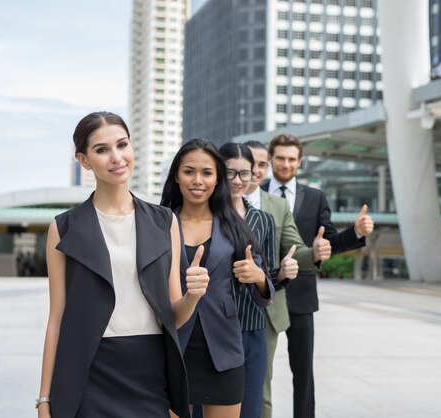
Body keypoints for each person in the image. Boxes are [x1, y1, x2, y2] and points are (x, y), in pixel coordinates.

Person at [37, 111, 207, 418]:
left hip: (150, 372)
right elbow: (56, 319)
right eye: (102, 150)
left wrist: (192, 295)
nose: (116, 157)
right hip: (89, 371)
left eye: (122, 145)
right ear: (84, 160)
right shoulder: (63, 228)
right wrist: (45, 398)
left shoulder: (164, 221)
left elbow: (174, 315)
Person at [261, 134, 374, 418]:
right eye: (280, 158)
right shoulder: (254, 192)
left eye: (291, 159)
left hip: (301, 296)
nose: (286, 164)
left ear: (300, 162)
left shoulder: (315, 197)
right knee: (261, 373)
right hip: (265, 294)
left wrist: (357, 232)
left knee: (303, 373)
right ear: (270, 159)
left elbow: (326, 245)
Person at [161, 138, 274, 418]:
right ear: (176, 175)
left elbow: (266, 290)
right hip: (172, 349)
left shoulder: (233, 224)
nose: (197, 180)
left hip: (223, 351)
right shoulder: (160, 223)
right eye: (189, 171)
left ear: (217, 179)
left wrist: (257, 276)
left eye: (207, 173)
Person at [242, 140, 331, 418]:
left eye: (260, 165)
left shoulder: (277, 205)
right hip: (224, 307)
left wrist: (314, 253)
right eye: (250, 165)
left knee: (261, 387)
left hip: (268, 304)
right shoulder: (218, 201)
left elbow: (296, 248)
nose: (255, 171)